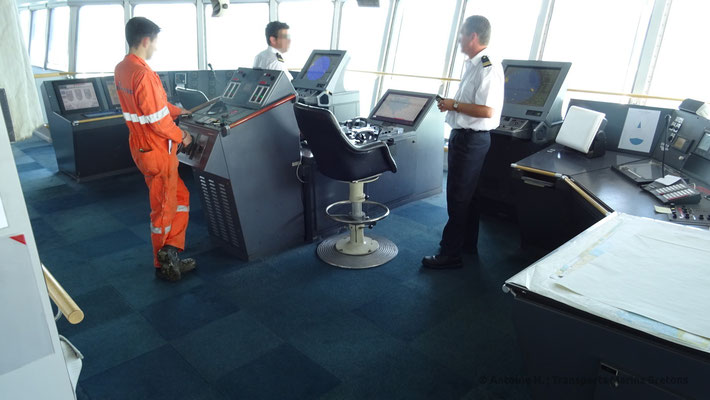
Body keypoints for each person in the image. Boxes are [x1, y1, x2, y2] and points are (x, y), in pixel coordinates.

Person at [114, 17, 197, 281]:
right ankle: (163, 264)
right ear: (146, 40)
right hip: (157, 149)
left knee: (180, 198)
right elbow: (157, 120)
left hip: (140, 147)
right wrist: (182, 135)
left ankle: (171, 250)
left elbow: (154, 107)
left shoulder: (123, 68)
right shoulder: (144, 74)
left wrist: (178, 110)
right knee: (163, 207)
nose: (156, 48)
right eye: (155, 42)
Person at [422, 15, 504, 269]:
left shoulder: (488, 67)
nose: (458, 40)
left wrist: (453, 105)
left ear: (473, 37)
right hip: (466, 138)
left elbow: (487, 110)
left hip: (472, 141)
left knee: (458, 196)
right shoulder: (472, 64)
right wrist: (453, 105)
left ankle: (450, 254)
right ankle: (466, 243)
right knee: (470, 196)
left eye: (461, 35)